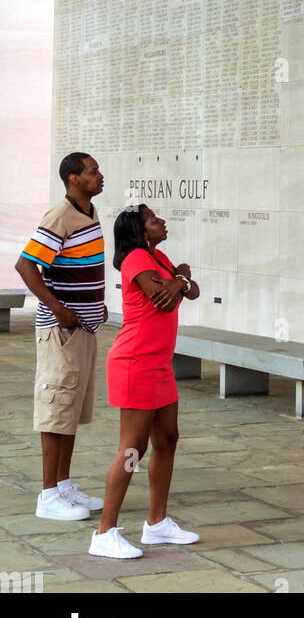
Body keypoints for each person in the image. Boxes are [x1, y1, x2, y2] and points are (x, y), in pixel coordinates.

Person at [89, 203, 201, 560]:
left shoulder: (159, 257)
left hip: (159, 365)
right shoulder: (137, 258)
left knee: (167, 439)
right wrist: (179, 280)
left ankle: (156, 523)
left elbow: (190, 290)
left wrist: (180, 280)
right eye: (154, 220)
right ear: (140, 231)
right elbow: (164, 301)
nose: (162, 221)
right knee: (133, 449)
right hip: (135, 362)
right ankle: (104, 533)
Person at [15, 152, 107, 521]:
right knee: (55, 407)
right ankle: (48, 495)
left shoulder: (89, 213)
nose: (100, 176)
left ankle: (64, 485)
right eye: (92, 171)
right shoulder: (59, 216)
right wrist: (58, 308)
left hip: (83, 330)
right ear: (73, 178)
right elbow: (25, 264)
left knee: (70, 407)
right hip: (61, 332)